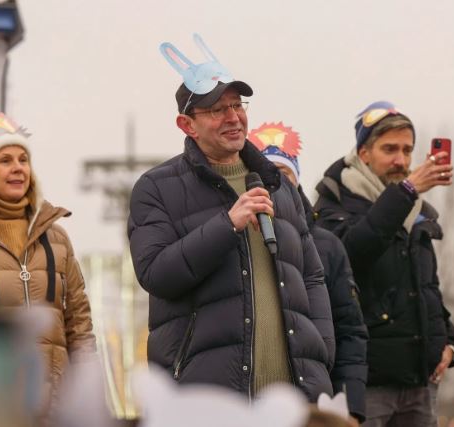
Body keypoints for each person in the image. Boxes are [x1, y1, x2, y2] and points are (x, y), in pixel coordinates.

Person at [128, 36, 335, 401]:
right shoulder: (157, 188)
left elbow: (312, 276)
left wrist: (320, 352)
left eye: (237, 105)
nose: (233, 117)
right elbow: (156, 274)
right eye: (216, 110)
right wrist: (227, 225)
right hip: (207, 395)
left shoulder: (277, 186)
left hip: (292, 396)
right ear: (187, 125)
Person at [313, 101, 454, 426]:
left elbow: (425, 287)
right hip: (367, 382)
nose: (401, 160)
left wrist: (449, 341)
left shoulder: (414, 210)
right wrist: (406, 193)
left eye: (407, 150)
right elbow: (352, 255)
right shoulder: (334, 203)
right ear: (364, 153)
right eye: (390, 149)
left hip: (419, 382)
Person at [0, 110, 96, 424]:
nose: (18, 168)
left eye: (23, 160)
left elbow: (80, 326)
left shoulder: (56, 237)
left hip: (52, 408)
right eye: (5, 160)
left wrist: (89, 391)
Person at [250, 123, 368, 426]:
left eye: (282, 173)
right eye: (263, 173)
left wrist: (351, 405)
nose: (274, 183)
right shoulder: (232, 235)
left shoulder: (326, 245)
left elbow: (349, 329)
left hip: (310, 400)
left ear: (296, 178)